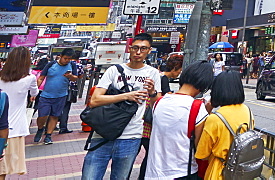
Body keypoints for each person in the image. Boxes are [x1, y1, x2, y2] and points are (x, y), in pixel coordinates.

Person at [81, 33, 159, 180]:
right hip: (103, 133)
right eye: (135, 48)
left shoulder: (153, 73)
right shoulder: (114, 70)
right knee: (89, 177)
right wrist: (126, 96)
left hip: (131, 137)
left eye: (143, 49)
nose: (138, 52)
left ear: (149, 50)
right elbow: (95, 100)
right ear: (129, 49)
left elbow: (157, 104)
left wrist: (153, 92)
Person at [144, 60, 215, 180]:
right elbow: (200, 147)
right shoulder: (197, 108)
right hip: (182, 172)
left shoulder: (159, 102)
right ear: (203, 85)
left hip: (153, 172)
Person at [195, 71, 254, 180]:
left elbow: (202, 154)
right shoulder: (247, 111)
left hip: (219, 172)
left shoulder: (215, 119)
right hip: (241, 171)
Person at [0, 46, 38, 178]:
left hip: (1, 124)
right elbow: (35, 93)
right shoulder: (30, 78)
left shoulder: (1, 77)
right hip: (14, 129)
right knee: (3, 168)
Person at [33, 49, 80, 145]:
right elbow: (41, 78)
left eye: (69, 59)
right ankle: (40, 129)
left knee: (54, 115)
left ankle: (48, 135)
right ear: (60, 56)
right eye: (65, 58)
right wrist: (34, 92)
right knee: (42, 115)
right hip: (46, 95)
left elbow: (75, 78)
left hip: (61, 95)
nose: (67, 60)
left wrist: (70, 76)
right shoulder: (51, 65)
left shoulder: (72, 65)